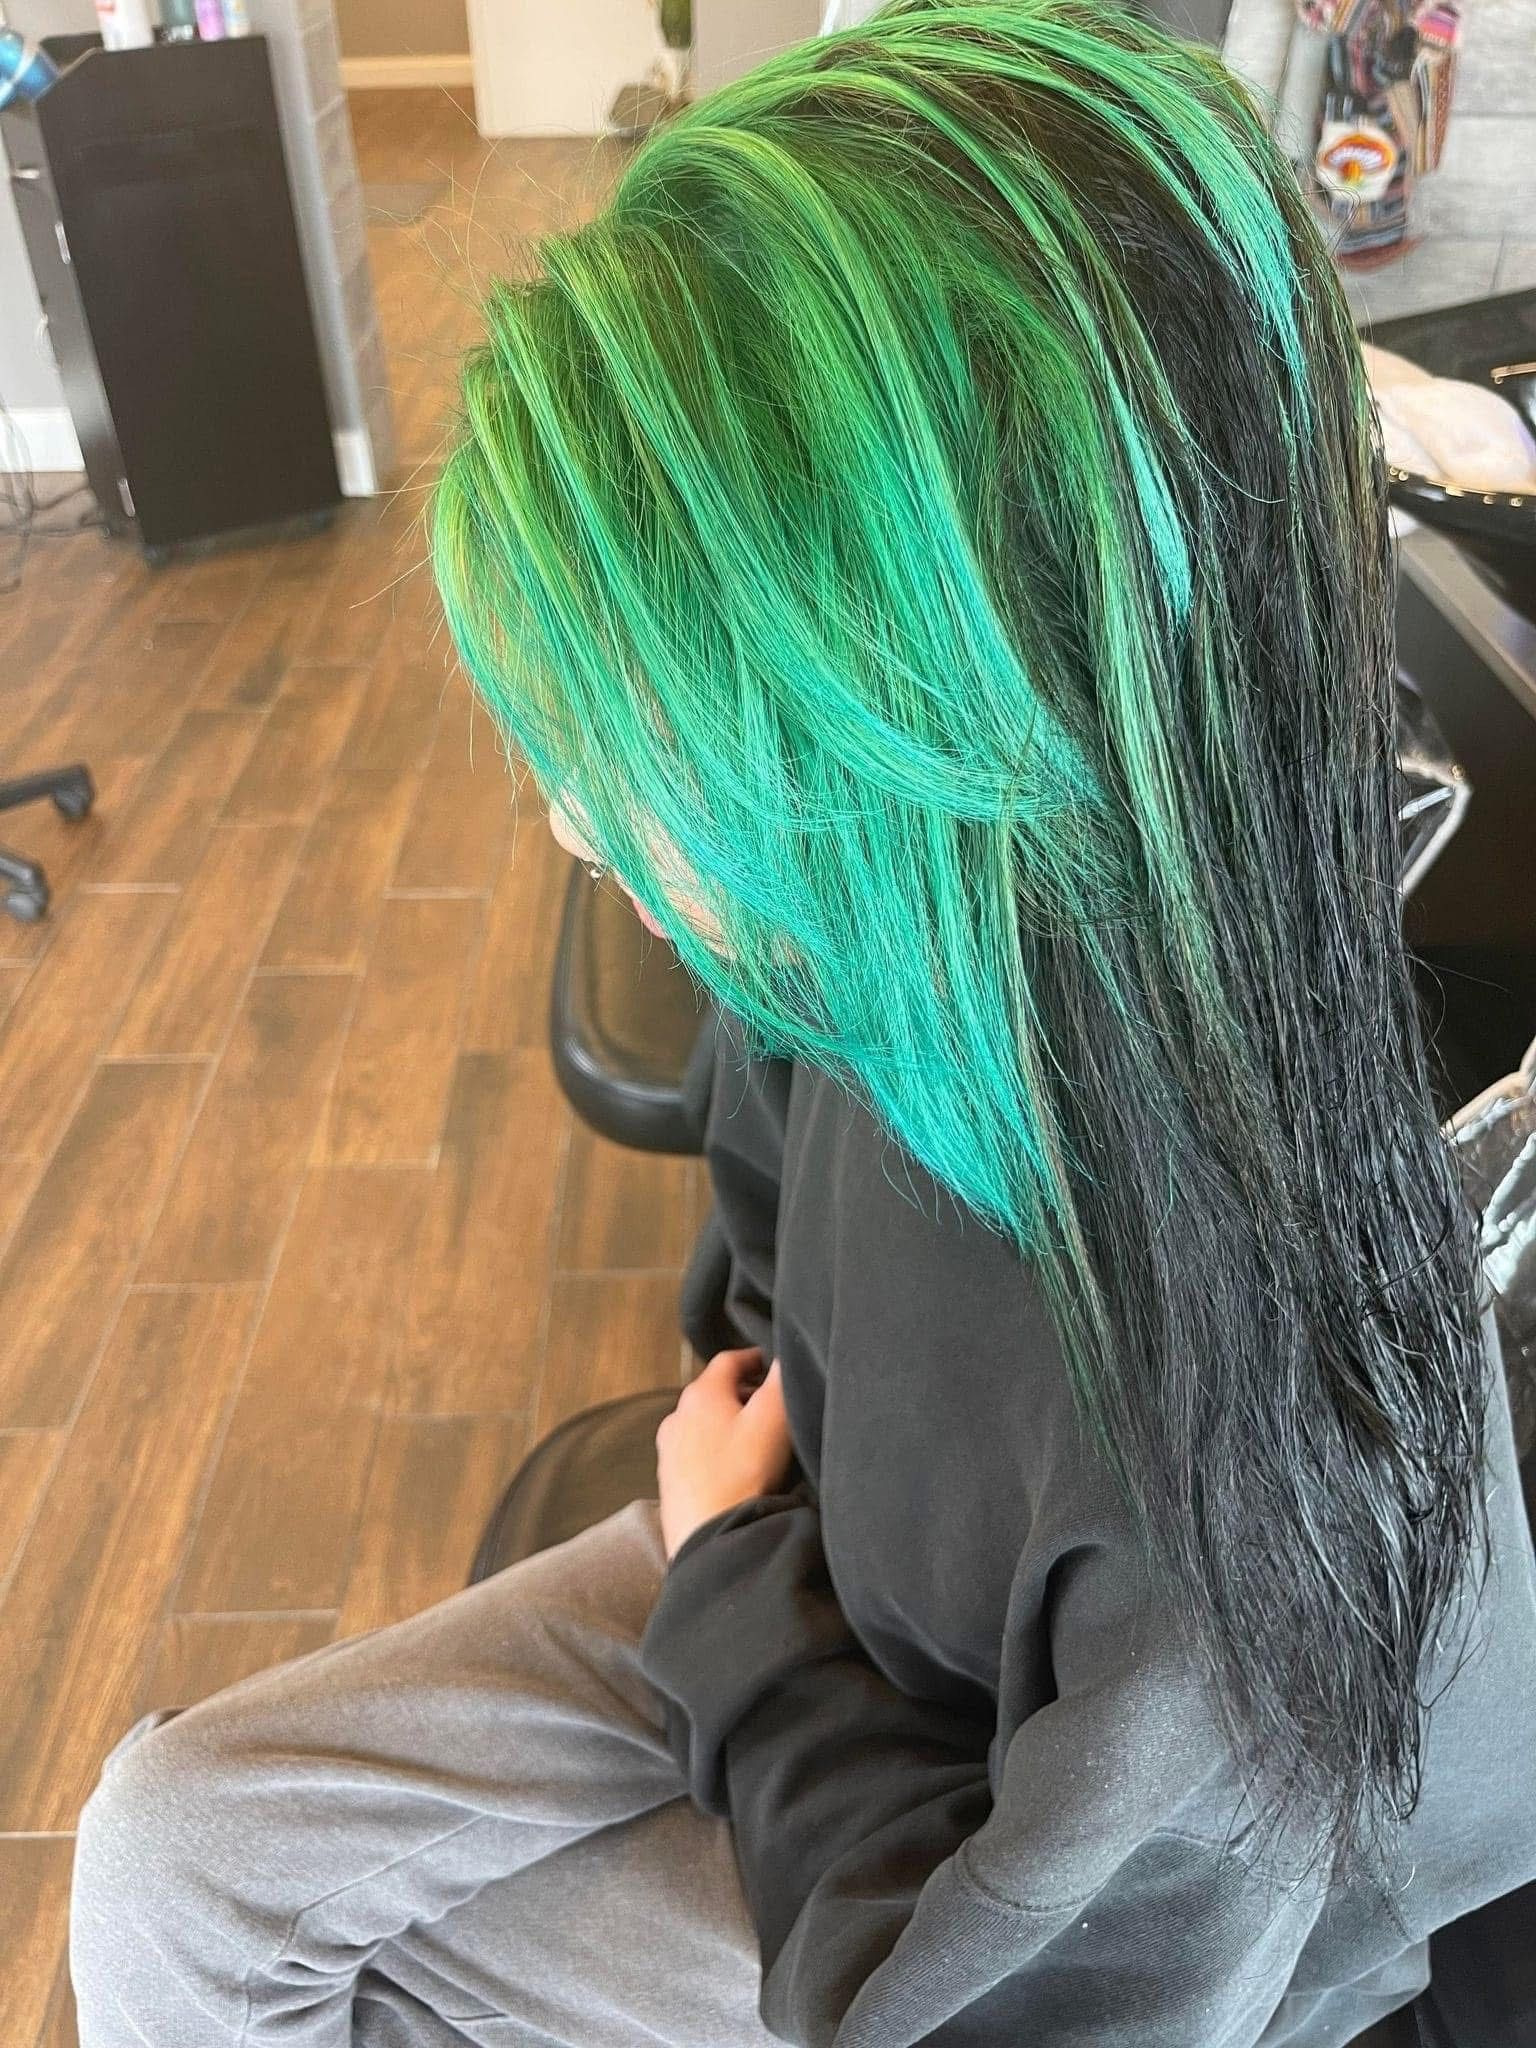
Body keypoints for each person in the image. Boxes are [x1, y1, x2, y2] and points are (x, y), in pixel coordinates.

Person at [70, 3, 1536, 2043]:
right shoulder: (885, 925)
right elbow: (775, 1263)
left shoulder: (1242, 1570)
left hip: (1015, 1882)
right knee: (168, 1850)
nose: (571, 818)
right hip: (811, 1564)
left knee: (365, 1981)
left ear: (961, 722)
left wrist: (732, 1601)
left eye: (631, 746)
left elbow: (965, 2012)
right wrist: (743, 1537)